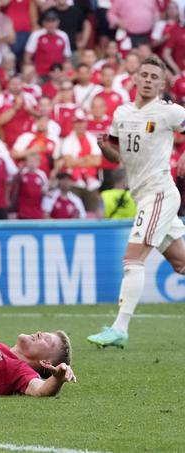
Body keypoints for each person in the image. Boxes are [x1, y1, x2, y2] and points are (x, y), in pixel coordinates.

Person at [88, 56, 185, 348]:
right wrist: (105, 147)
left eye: (154, 77)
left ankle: (120, 328)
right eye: (144, 75)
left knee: (132, 260)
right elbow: (119, 159)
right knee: (181, 263)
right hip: (143, 195)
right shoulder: (122, 113)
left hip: (159, 193)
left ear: (161, 83)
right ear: (135, 78)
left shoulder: (169, 112)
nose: (148, 80)